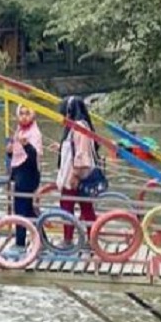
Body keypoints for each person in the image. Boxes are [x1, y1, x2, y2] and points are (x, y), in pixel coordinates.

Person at [56, 95, 102, 247]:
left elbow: (81, 153)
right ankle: (91, 239)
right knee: (86, 207)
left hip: (75, 177)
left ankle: (69, 239)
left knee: (67, 206)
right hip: (81, 175)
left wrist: (75, 175)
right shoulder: (80, 126)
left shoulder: (79, 127)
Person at [7, 104, 43, 250]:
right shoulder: (20, 131)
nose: (23, 116)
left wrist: (26, 145)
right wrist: (9, 151)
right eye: (21, 113)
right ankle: (42, 240)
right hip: (20, 173)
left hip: (29, 175)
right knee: (28, 211)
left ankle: (20, 244)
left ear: (33, 115)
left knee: (21, 210)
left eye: (27, 113)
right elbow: (15, 154)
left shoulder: (34, 133)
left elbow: (34, 156)